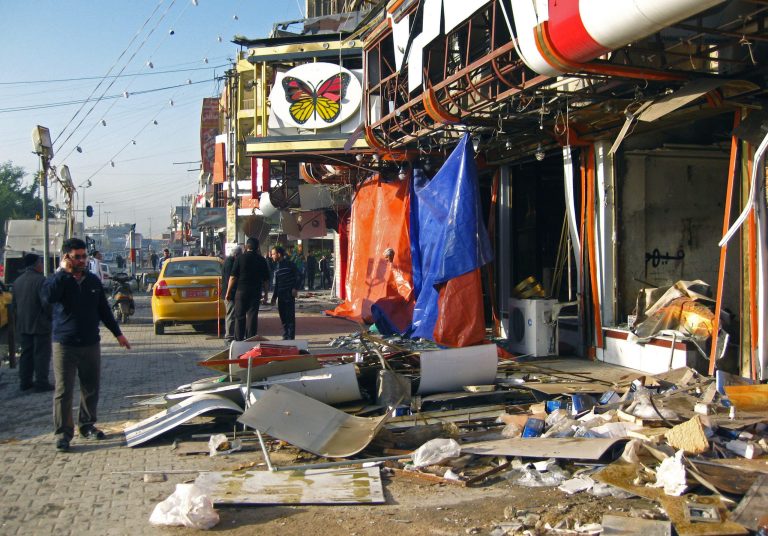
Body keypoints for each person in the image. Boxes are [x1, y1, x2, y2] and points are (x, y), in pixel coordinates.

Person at [42, 238, 131, 453]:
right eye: (77, 256)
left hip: (90, 342)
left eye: (84, 256)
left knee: (91, 386)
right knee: (64, 390)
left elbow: (103, 310)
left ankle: (87, 424)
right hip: (65, 344)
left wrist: (118, 334)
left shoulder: (92, 281)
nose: (82, 260)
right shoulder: (57, 280)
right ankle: (63, 433)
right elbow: (48, 298)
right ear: (67, 257)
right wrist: (63, 273)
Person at [12, 253, 53, 393]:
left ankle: (25, 382)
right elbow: (46, 304)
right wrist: (51, 318)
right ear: (37, 265)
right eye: (41, 262)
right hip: (40, 324)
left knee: (26, 354)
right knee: (42, 353)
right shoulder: (41, 281)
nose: (42, 265)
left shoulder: (18, 281)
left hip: (23, 324)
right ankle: (41, 382)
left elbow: (14, 305)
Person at [226, 238, 270, 341]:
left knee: (239, 316)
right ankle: (250, 339)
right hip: (255, 293)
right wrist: (266, 294)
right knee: (252, 316)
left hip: (241, 292)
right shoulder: (261, 260)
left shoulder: (240, 258)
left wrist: (228, 292)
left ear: (246, 246)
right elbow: (266, 280)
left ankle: (238, 340)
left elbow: (233, 277)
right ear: (257, 247)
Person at [270, 246, 301, 340]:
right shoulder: (277, 266)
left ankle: (290, 338)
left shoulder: (290, 264)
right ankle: (286, 335)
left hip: (289, 295)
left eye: (273, 254)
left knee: (290, 318)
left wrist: (295, 288)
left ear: (279, 254)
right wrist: (274, 297)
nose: (272, 256)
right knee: (283, 317)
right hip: (280, 295)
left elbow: (299, 276)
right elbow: (277, 284)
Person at [221, 245, 243, 345]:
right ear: (236, 254)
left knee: (233, 315)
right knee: (230, 315)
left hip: (231, 293)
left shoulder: (230, 261)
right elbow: (230, 279)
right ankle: (229, 337)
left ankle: (232, 336)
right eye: (240, 255)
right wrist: (230, 293)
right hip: (229, 294)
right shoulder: (230, 263)